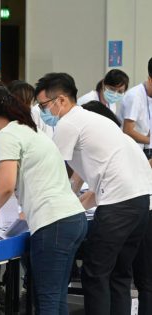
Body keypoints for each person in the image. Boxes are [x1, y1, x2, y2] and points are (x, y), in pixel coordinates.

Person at [34, 72, 152, 315]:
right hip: (141, 202)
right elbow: (101, 178)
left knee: (95, 273)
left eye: (44, 105)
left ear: (62, 101)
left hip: (118, 206)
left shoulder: (69, 123)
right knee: (119, 274)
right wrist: (75, 205)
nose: (43, 111)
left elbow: (53, 169)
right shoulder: (98, 121)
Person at [0, 85, 86, 315]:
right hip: (72, 218)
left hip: (53, 222)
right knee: (57, 296)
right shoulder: (29, 130)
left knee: (48, 300)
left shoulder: (8, 135)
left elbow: (4, 186)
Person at [81, 100, 152, 315]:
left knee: (98, 274)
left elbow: (99, 189)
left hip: (125, 210)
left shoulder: (106, 143)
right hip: (142, 207)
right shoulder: (125, 141)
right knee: (121, 275)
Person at [121, 58, 152, 159]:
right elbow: (128, 131)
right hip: (134, 151)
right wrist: (149, 140)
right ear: (150, 80)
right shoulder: (135, 96)